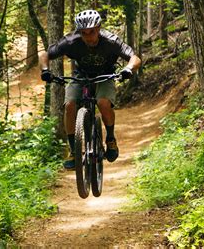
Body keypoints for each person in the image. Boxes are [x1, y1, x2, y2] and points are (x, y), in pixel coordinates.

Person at [39, 9, 141, 170]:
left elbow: (134, 58)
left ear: (99, 28)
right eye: (84, 33)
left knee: (103, 102)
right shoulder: (71, 41)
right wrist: (45, 70)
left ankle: (111, 139)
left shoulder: (111, 41)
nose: (89, 37)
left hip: (105, 75)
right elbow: (45, 54)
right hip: (81, 75)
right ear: (79, 32)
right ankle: (73, 150)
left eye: (92, 32)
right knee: (70, 104)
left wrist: (128, 69)